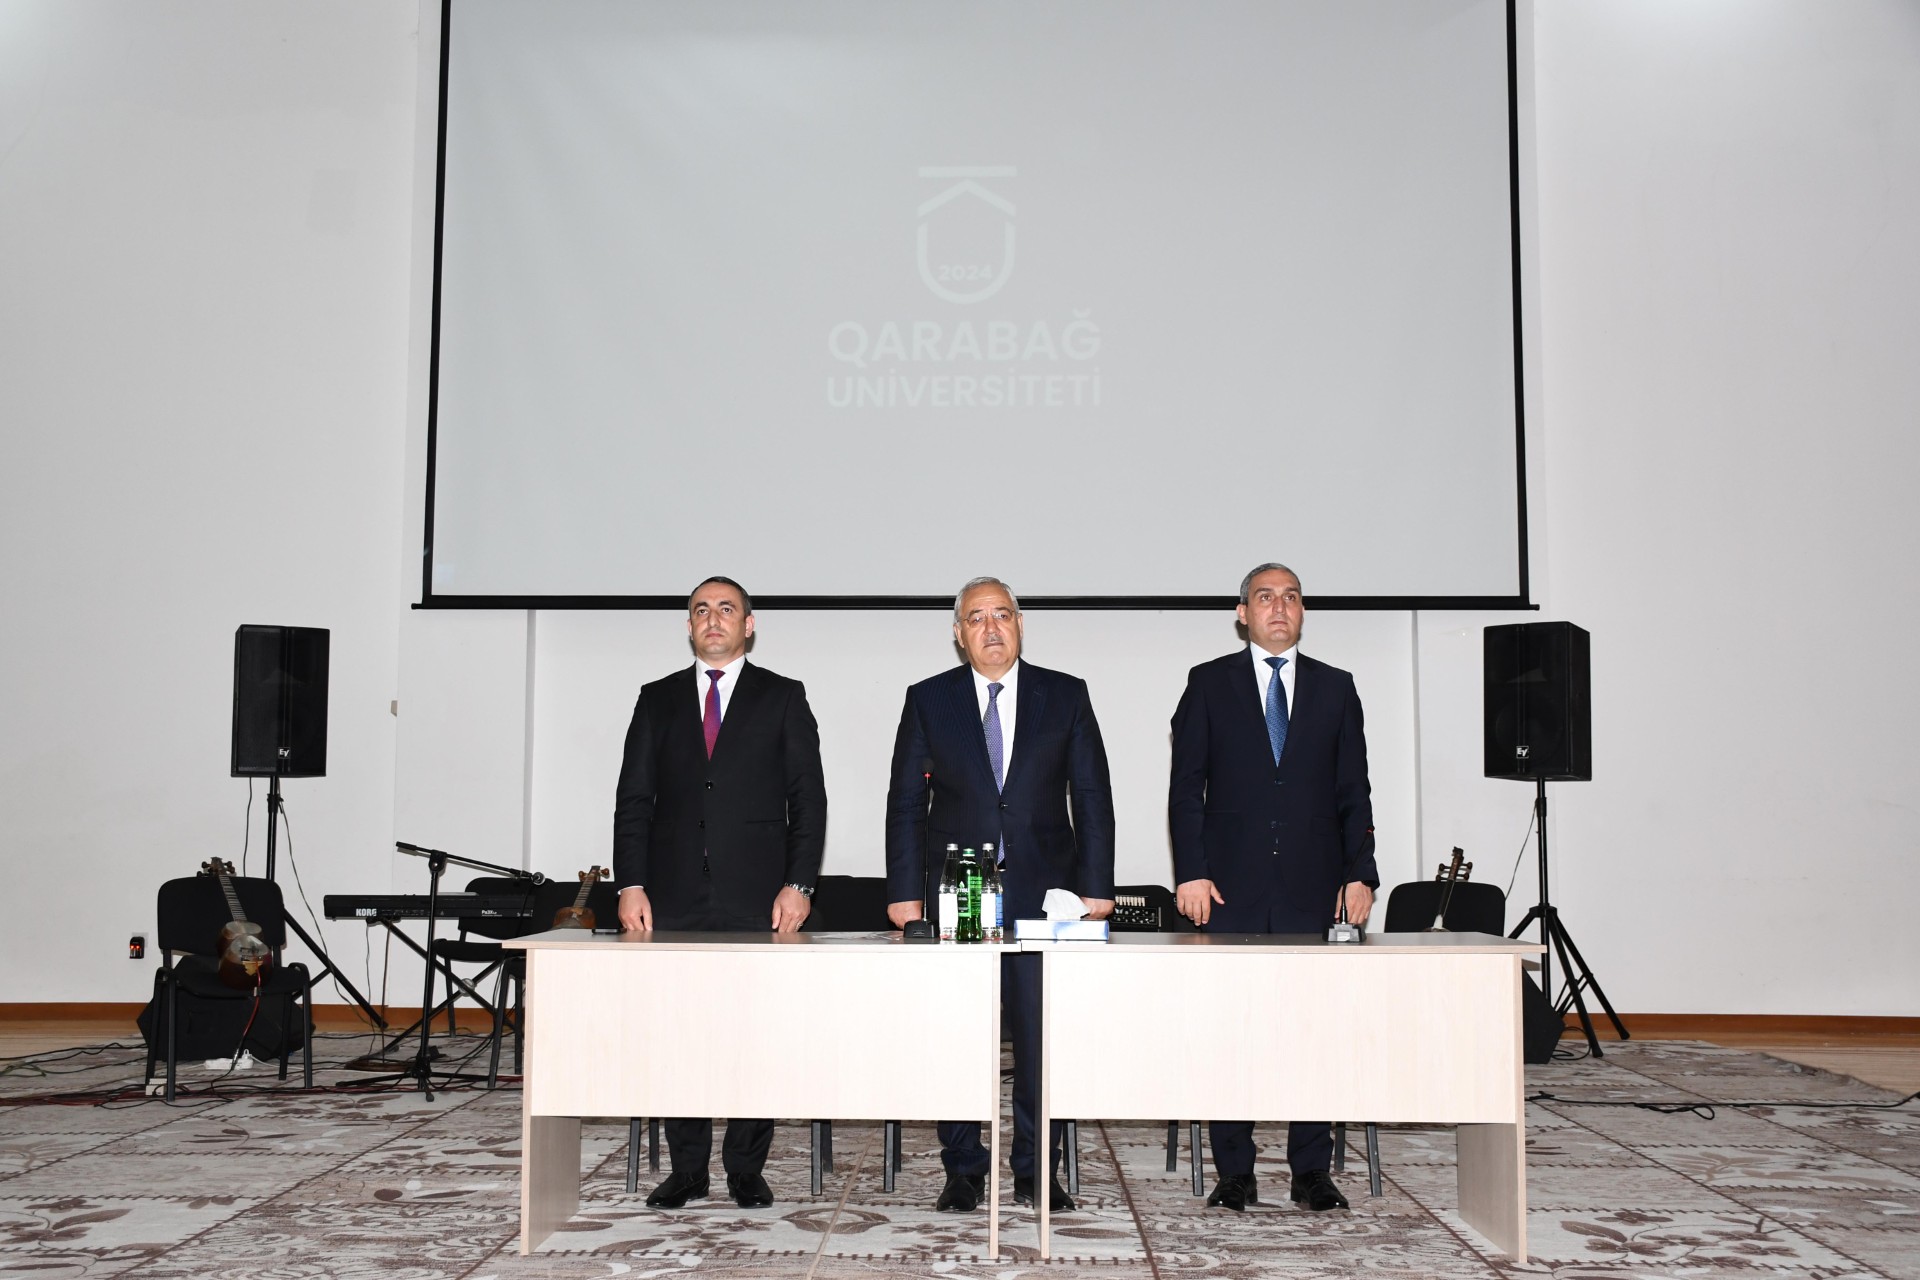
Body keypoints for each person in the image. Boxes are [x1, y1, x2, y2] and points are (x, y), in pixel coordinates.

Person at [885, 576, 1116, 1215]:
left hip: (1047, 899)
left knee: (1042, 1039)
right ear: (958, 634)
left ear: (1019, 625)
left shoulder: (1065, 694)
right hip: (959, 891)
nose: (991, 628)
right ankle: (962, 1168)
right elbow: (906, 801)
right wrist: (904, 893)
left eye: (1003, 615)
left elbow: (1091, 794)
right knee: (961, 1035)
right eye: (976, 617)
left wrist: (1098, 887)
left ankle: (1037, 1170)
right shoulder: (929, 699)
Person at [1167, 562, 1378, 1214]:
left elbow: (1354, 790)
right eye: (1265, 597)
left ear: (1302, 610)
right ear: (1243, 614)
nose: (1279, 608)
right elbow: (1186, 788)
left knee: (1312, 1032)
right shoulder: (1208, 683)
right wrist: (1191, 871)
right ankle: (1236, 1172)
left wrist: (1361, 872)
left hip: (1316, 892)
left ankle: (1311, 1170)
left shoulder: (1336, 688)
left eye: (1290, 597)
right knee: (1232, 1031)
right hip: (1228, 891)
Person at [612, 575, 827, 1211]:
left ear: (748, 625)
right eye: (701, 610)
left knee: (752, 1033)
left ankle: (744, 1167)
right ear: (689, 626)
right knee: (678, 1033)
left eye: (726, 609)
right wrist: (630, 882)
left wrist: (799, 882)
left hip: (759, 898)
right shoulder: (656, 699)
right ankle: (687, 1169)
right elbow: (634, 800)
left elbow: (807, 800)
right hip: (670, 898)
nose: (713, 619)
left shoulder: (783, 697)